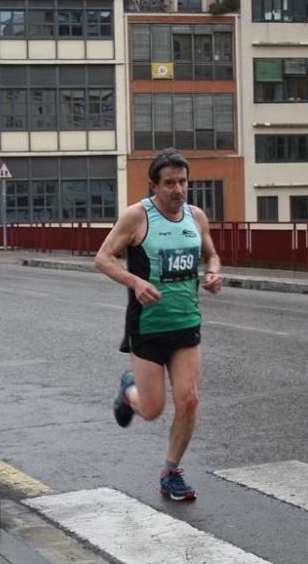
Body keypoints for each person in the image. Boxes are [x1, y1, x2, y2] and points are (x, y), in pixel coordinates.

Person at [94, 148, 222, 502]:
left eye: (183, 182)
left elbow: (210, 252)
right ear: (154, 185)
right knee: (152, 411)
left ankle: (171, 473)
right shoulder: (137, 217)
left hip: (186, 323)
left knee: (190, 399)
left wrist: (213, 271)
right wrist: (135, 282)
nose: (178, 190)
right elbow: (102, 259)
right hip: (148, 326)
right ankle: (128, 390)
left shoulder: (196, 217)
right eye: (169, 184)